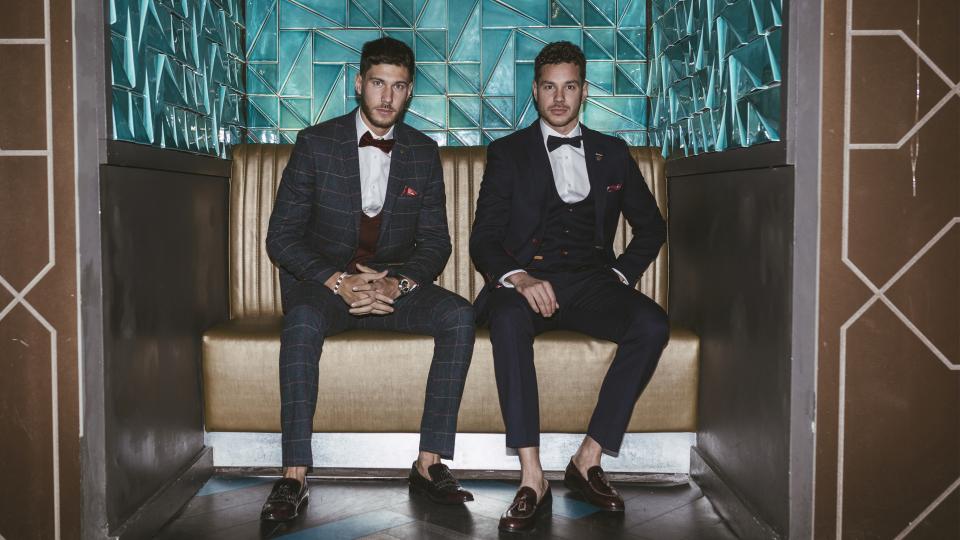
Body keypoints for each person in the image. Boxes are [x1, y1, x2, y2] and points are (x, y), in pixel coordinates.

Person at [260, 37, 475, 522]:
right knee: (300, 323)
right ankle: (294, 476)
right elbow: (282, 237)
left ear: (410, 91)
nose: (386, 96)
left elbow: (436, 243)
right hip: (326, 289)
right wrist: (338, 281)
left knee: (460, 316)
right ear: (359, 84)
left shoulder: (423, 151)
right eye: (378, 83)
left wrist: (397, 284)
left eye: (398, 86)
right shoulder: (315, 143)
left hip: (392, 288)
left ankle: (428, 464)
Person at [469, 41, 669, 533]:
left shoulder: (613, 153)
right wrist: (519, 278)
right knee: (508, 319)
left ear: (584, 91)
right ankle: (532, 477)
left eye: (570, 87)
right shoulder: (507, 153)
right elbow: (484, 239)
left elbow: (651, 227)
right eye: (549, 87)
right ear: (535, 92)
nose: (559, 98)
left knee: (651, 323)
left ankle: (588, 458)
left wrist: (620, 275)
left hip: (592, 281)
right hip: (526, 282)